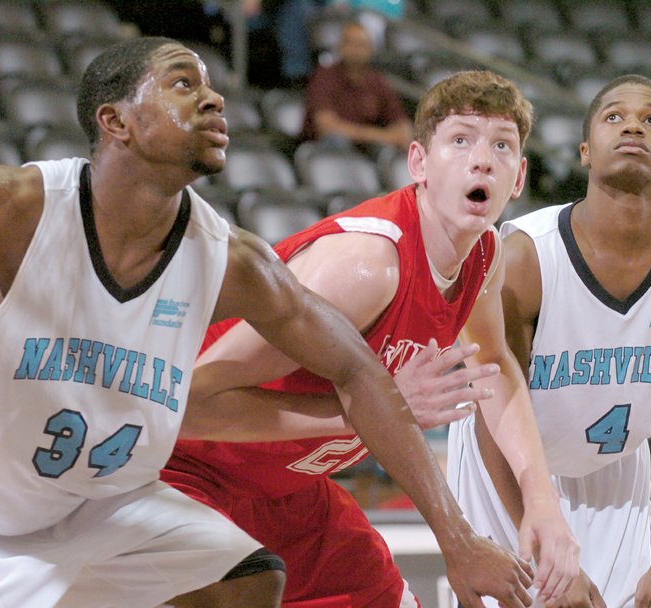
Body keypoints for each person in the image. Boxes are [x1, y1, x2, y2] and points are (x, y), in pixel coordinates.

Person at [0, 38, 539, 608]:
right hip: (27, 503)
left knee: (249, 579)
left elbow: (362, 378)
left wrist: (461, 538)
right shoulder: (11, 207)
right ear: (117, 121)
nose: (215, 99)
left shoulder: (227, 259)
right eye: (184, 84)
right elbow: (201, 402)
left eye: (212, 86)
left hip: (147, 497)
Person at [163, 70, 580, 608]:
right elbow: (185, 405)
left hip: (289, 487)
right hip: (186, 470)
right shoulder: (367, 266)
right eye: (460, 140)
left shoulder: (485, 255)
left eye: (501, 145)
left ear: (519, 176)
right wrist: (374, 409)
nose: (482, 160)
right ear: (419, 163)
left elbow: (496, 366)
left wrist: (541, 500)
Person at [447, 73, 651, 608]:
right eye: (614, 117)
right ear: (586, 151)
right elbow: (495, 411)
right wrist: (547, 555)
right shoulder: (524, 259)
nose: (633, 124)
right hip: (509, 462)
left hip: (613, 467)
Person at [301, 20, 413, 154]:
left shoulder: (377, 80)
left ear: (371, 50)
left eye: (362, 45)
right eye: (350, 43)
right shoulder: (324, 76)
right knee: (337, 140)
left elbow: (401, 123)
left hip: (366, 149)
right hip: (325, 151)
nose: (356, 50)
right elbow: (327, 127)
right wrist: (381, 136)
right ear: (340, 46)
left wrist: (399, 136)